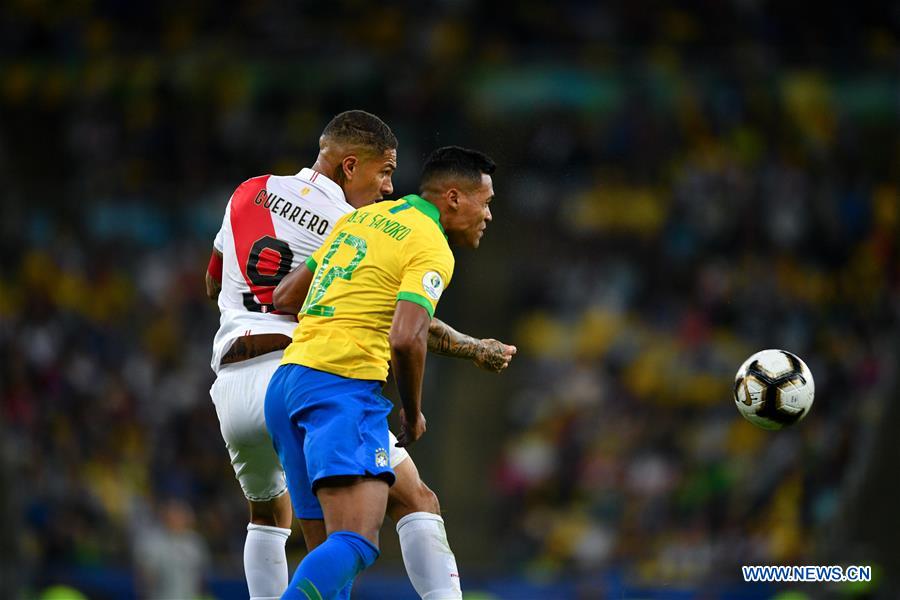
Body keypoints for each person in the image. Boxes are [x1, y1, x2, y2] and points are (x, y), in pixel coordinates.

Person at [206, 111, 515, 600]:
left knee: (271, 517)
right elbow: (407, 328)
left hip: (235, 378)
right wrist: (468, 354)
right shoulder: (356, 222)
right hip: (317, 372)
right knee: (406, 506)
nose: (388, 187)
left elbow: (223, 283)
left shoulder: (249, 190)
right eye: (385, 171)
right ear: (350, 166)